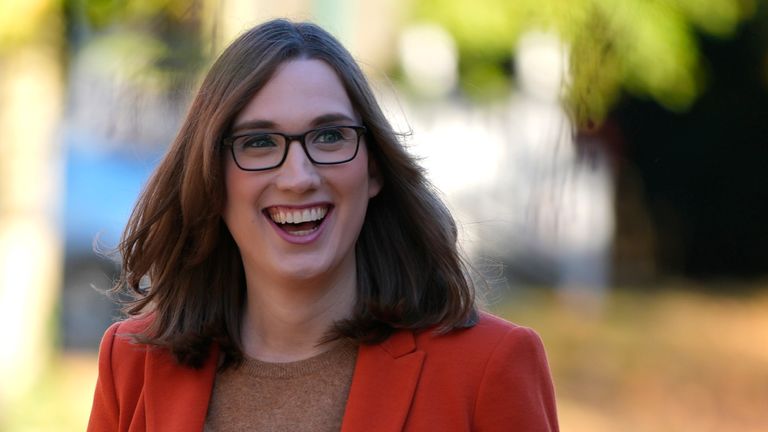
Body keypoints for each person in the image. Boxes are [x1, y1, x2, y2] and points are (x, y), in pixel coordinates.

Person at [87, 18, 559, 432]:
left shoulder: (487, 367)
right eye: (259, 142)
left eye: (330, 136)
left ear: (373, 168)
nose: (298, 177)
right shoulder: (132, 363)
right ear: (212, 178)